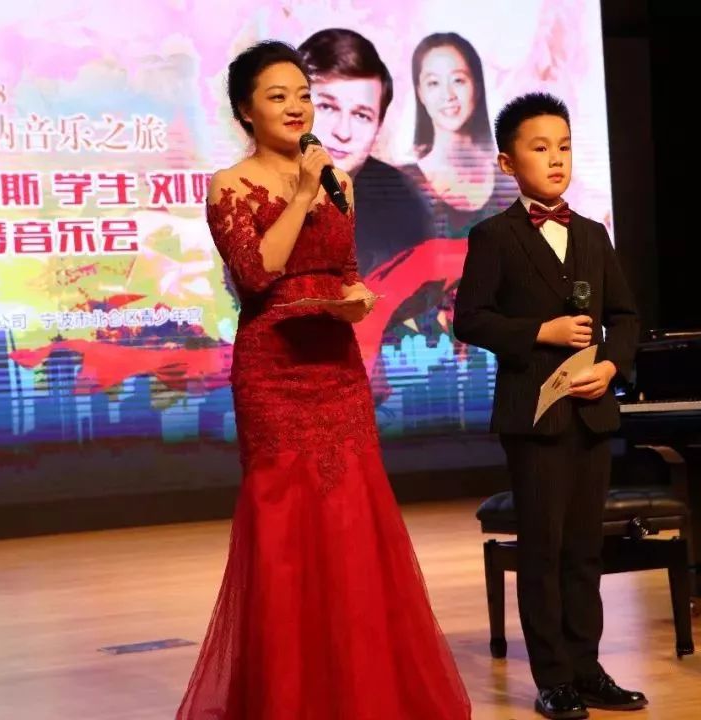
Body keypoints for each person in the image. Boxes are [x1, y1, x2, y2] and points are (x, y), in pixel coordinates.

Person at [174, 40, 471, 720]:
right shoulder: (230, 185)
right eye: (278, 97)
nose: (297, 108)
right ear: (245, 110)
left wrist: (358, 297)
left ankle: (361, 693)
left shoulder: (343, 180)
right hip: (275, 372)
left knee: (350, 523)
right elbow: (257, 274)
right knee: (284, 530)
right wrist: (303, 193)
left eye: (302, 96)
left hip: (336, 367)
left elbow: (343, 271)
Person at [453, 92, 644, 720]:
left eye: (563, 146)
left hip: (591, 412)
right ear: (508, 163)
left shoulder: (592, 233)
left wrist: (611, 365)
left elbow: (625, 316)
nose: (556, 158)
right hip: (534, 417)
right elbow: (469, 319)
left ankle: (588, 669)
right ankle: (553, 678)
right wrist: (542, 331)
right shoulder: (494, 236)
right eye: (540, 148)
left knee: (585, 549)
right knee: (543, 550)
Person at [298, 28, 435, 276]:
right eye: (327, 107)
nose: (343, 132)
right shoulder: (246, 189)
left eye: (361, 115)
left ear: (378, 127)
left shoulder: (406, 204)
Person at [402, 31, 520, 240]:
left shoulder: (510, 183)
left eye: (458, 80)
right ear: (420, 93)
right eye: (433, 83)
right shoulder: (403, 183)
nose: (448, 95)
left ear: (476, 87)